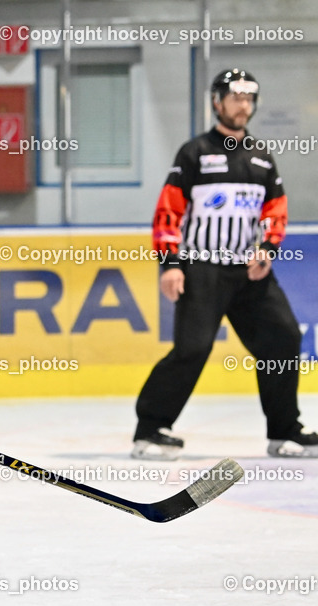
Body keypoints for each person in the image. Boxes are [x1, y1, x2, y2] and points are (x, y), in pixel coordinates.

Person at [132, 68, 317, 460]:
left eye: (249, 98)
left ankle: (285, 433)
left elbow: (275, 209)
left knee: (282, 337)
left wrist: (267, 247)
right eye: (235, 97)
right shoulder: (194, 153)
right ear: (217, 102)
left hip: (249, 273)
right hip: (202, 269)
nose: (243, 105)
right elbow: (169, 210)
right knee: (192, 349)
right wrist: (171, 264)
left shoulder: (262, 158)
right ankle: (149, 430)